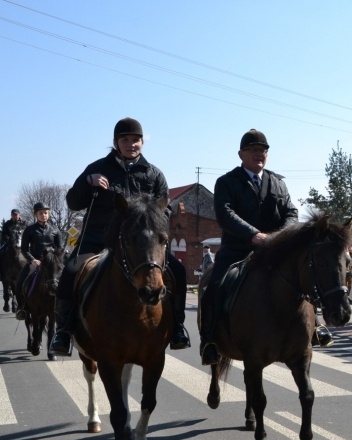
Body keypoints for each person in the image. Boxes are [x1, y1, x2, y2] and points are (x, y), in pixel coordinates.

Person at [50, 118, 191, 356]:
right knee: (71, 271)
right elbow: (73, 202)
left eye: (135, 140)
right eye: (125, 140)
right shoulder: (97, 169)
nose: (131, 144)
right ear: (116, 143)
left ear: (142, 142)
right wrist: (88, 182)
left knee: (177, 270)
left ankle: (177, 326)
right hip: (98, 239)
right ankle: (63, 331)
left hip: (140, 244)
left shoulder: (154, 174)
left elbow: (164, 209)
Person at [199, 129, 299, 365]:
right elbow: (225, 214)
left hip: (273, 252)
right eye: (253, 150)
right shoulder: (227, 182)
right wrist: (253, 235)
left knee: (303, 278)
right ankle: (210, 341)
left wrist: (278, 237)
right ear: (240, 154)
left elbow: (291, 213)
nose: (259, 154)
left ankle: (316, 329)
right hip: (237, 250)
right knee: (213, 287)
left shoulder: (278, 183)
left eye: (263, 150)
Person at [16, 202, 62, 320]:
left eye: (46, 213)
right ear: (36, 214)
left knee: (67, 280)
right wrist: (32, 260)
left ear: (49, 214)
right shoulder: (30, 229)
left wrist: (59, 255)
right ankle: (22, 308)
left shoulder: (55, 230)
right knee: (20, 282)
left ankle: (66, 307)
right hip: (35, 262)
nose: (44, 215)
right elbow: (24, 249)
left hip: (50, 263)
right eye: (41, 213)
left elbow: (59, 248)